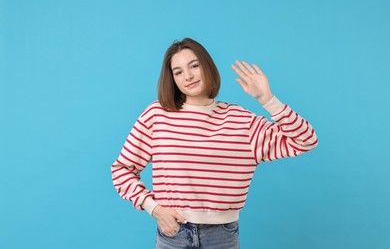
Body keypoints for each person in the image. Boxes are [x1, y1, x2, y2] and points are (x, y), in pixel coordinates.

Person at [111, 38, 318, 249]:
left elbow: (305, 140)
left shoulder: (242, 121)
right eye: (178, 71)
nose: (188, 76)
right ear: (172, 79)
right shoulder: (157, 114)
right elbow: (121, 170)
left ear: (207, 66)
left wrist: (267, 99)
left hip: (222, 236)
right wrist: (154, 208)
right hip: (173, 234)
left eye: (194, 66)